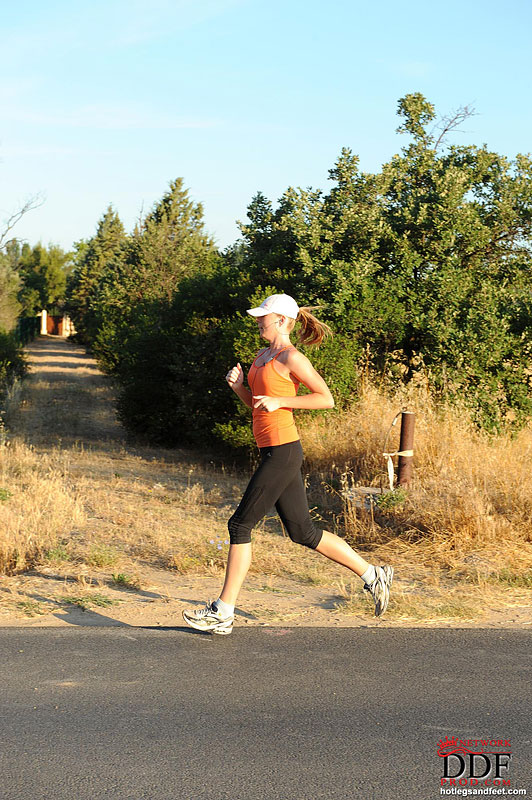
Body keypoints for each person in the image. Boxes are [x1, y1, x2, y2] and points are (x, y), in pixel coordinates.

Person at [183, 293, 393, 635]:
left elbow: (326, 398)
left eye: (263, 316)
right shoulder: (262, 356)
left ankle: (223, 611)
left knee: (239, 526)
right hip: (273, 450)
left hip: (283, 451)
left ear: (282, 320)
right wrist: (239, 389)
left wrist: (282, 399)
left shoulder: (291, 356)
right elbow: (259, 405)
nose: (258, 320)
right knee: (302, 532)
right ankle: (373, 575)